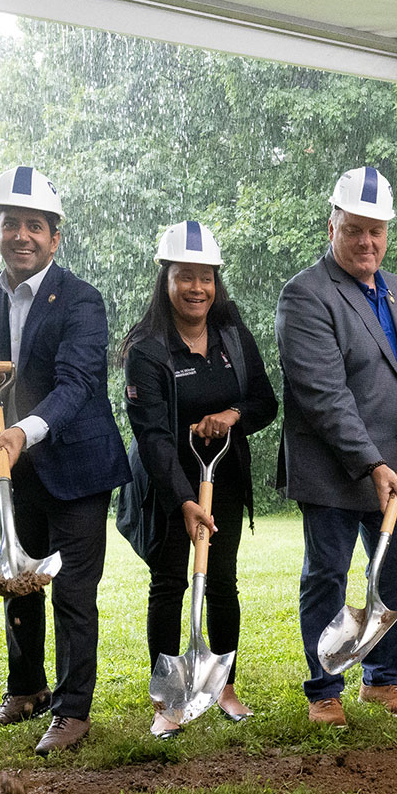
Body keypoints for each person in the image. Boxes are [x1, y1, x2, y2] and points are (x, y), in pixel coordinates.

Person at [0, 166, 131, 755]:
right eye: (11, 224)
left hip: (77, 467)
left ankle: (72, 710)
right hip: (16, 471)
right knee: (16, 581)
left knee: (72, 590)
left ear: (54, 238)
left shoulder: (82, 299)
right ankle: (26, 689)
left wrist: (22, 433)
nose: (22, 236)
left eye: (35, 226)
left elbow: (78, 383)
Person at [275, 165, 397, 729]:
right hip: (335, 466)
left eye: (376, 231)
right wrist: (369, 462)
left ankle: (383, 680)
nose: (366, 241)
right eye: (354, 230)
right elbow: (323, 393)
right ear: (332, 228)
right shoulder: (305, 294)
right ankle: (325, 690)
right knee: (327, 574)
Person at [122, 220, 279, 738]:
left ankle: (225, 685)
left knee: (222, 579)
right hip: (168, 484)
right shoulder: (146, 350)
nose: (197, 288)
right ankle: (167, 698)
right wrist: (185, 501)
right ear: (165, 279)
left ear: (217, 281)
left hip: (225, 477)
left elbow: (264, 402)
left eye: (206, 277)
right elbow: (152, 436)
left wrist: (232, 415)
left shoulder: (232, 334)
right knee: (169, 582)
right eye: (185, 276)